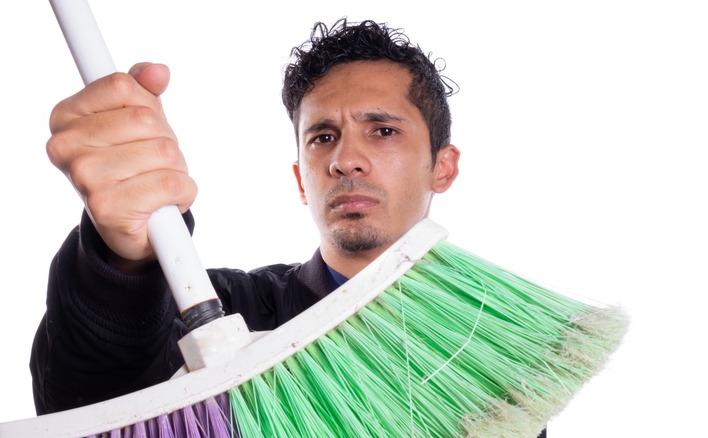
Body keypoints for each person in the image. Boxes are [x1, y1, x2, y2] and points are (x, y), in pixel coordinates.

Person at [30, 18, 546, 437]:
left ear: (443, 166)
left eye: (383, 131)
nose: (346, 160)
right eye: (323, 137)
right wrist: (123, 262)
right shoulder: (228, 308)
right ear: (302, 179)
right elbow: (94, 393)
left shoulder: (485, 341)